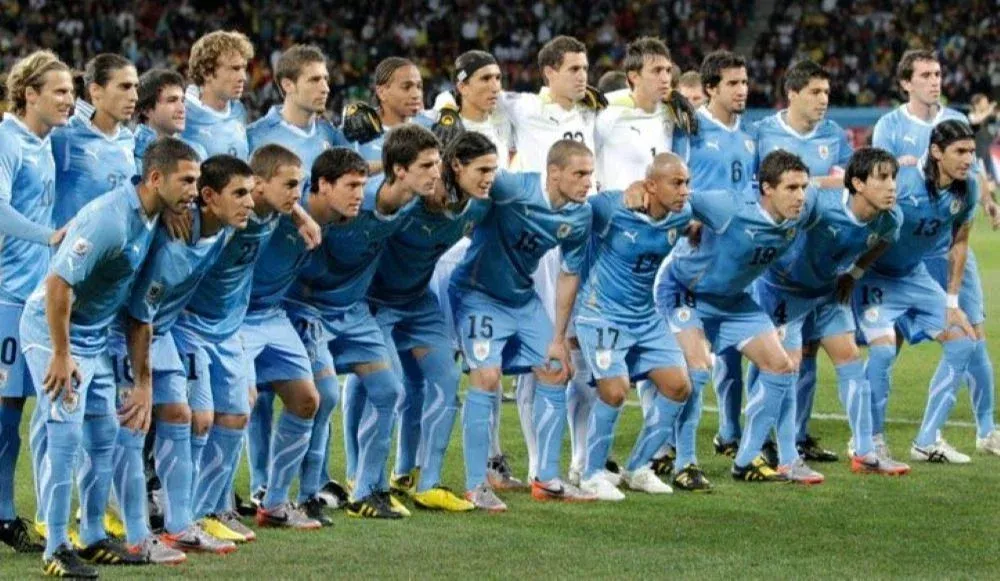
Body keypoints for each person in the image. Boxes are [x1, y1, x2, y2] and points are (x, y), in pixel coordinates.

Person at [20, 137, 200, 577]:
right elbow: (59, 283)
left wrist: (143, 382)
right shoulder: (110, 219)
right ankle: (57, 548)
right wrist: (61, 355)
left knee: (104, 439)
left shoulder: (152, 217)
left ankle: (95, 535)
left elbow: (141, 315)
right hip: (52, 330)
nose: (194, 191)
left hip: (94, 335)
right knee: (65, 439)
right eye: (187, 180)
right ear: (155, 178)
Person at [285, 124, 440, 519]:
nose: (435, 173)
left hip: (354, 311)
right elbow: (294, 195)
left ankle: (367, 490)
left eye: (437, 164)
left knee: (389, 391)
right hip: (307, 309)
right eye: (426, 165)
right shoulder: (350, 200)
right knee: (322, 399)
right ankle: (305, 491)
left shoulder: (410, 206)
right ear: (399, 170)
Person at [108, 154, 256, 561]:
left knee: (179, 415)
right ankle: (137, 534)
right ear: (209, 197)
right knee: (135, 422)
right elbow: (138, 315)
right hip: (126, 332)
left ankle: (179, 526)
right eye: (240, 194)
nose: (250, 203)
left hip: (164, 329)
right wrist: (142, 383)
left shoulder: (220, 230)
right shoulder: (173, 241)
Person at [171, 144, 319, 544]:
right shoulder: (221, 216)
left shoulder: (269, 214)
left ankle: (215, 509)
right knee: (198, 419)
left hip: (231, 324)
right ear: (258, 184)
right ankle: (181, 514)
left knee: (240, 412)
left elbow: (284, 204)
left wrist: (299, 211)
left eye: (300, 186)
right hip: (188, 323)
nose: (296, 193)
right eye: (289, 185)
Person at [655, 150, 818, 483]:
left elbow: (836, 196)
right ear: (766, 189)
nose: (800, 196)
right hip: (685, 291)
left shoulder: (799, 213)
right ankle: (685, 464)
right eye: (791, 188)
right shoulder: (730, 207)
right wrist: (683, 212)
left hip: (733, 301)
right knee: (698, 373)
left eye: (803, 187)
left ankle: (745, 460)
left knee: (781, 367)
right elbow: (677, 193)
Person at [451, 139, 595, 507]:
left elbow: (568, 275)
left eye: (590, 175)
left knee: (555, 367)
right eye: (579, 174)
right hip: (477, 293)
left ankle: (546, 478)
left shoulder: (580, 216)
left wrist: (559, 337)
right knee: (486, 377)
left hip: (521, 297)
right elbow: (467, 176)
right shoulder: (513, 188)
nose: (587, 183)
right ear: (554, 173)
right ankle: (475, 483)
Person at [752, 147, 911, 476]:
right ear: (858, 183)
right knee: (786, 370)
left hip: (826, 293)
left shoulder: (890, 217)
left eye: (894, 177)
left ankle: (865, 452)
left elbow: (884, 241)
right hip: (785, 292)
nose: (892, 185)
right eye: (882, 178)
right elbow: (775, 213)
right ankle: (785, 459)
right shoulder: (818, 205)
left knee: (850, 359)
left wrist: (854, 273)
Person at [874, 52, 999, 457]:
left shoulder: (955, 121)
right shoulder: (889, 126)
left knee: (972, 333)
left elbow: (972, 168)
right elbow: (880, 183)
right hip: (904, 250)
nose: (935, 80)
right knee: (886, 341)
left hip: (945, 244)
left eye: (938, 73)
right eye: (925, 75)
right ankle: (872, 433)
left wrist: (990, 200)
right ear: (905, 83)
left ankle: (986, 430)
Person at [367, 132, 497, 512]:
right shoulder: (406, 203)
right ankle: (366, 481)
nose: (490, 178)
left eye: (493, 170)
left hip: (419, 302)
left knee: (445, 381)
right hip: (375, 303)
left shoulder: (476, 206)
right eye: (483, 170)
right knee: (379, 388)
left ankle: (429, 483)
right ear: (456, 167)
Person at [244, 44, 350, 511]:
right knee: (258, 396)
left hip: (302, 283)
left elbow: (350, 183)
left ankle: (310, 481)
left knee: (314, 392)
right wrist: (304, 217)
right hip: (257, 281)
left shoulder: (330, 135)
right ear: (287, 85)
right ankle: (261, 484)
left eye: (326, 79)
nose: (324, 86)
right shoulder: (256, 136)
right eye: (314, 79)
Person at [243, 147, 367, 526]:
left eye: (363, 186)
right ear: (324, 186)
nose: (359, 194)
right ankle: (212, 507)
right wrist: (297, 212)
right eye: (352, 186)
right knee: (234, 408)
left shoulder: (328, 217)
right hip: (235, 317)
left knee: (314, 397)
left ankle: (283, 502)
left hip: (280, 314)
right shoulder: (258, 213)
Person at [855, 120, 979, 463]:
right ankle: (868, 438)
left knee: (963, 341)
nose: (969, 159)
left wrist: (952, 301)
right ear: (937, 152)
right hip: (875, 277)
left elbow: (960, 243)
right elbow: (858, 212)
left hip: (914, 276)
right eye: (960, 151)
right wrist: (850, 273)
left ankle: (927, 439)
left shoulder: (967, 190)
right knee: (881, 354)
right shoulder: (902, 180)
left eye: (972, 150)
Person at [752, 59, 854, 463]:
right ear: (791, 93)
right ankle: (756, 438)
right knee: (770, 350)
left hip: (819, 258)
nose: (823, 99)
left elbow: (848, 182)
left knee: (808, 351)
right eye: (815, 91)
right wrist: (818, 182)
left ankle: (797, 433)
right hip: (776, 260)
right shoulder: (762, 133)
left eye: (827, 92)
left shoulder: (835, 135)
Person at [427, 50, 521, 490]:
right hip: (448, 255)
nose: (495, 86)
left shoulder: (505, 120)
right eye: (485, 78)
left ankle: (492, 460)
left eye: (499, 77)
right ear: (461, 84)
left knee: (490, 364)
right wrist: (444, 108)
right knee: (443, 365)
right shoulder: (441, 122)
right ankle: (422, 465)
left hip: (489, 254)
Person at [577, 153, 693, 500]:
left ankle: (638, 468)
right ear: (650, 186)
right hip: (602, 313)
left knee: (678, 386)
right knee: (614, 391)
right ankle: (592, 473)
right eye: (676, 183)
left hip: (645, 315)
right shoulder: (613, 208)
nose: (684, 191)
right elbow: (575, 206)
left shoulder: (683, 213)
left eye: (687, 183)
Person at [670, 50, 756, 473]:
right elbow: (670, 184)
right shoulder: (690, 128)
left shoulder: (749, 135)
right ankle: (674, 449)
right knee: (687, 360)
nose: (742, 90)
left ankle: (732, 434)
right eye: (733, 84)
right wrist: (689, 217)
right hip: (691, 261)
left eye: (744, 82)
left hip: (736, 263)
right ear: (710, 89)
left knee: (735, 355)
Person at [0, 50, 72, 554]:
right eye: (61, 92)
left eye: (72, 91)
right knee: (6, 416)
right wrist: (49, 237)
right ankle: (4, 514)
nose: (70, 100)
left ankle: (45, 516)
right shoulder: (7, 139)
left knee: (45, 412)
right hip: (5, 296)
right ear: (30, 94)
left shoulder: (44, 141)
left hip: (37, 298)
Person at [51, 53, 139, 228]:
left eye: (136, 87)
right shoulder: (63, 137)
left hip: (117, 252)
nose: (134, 96)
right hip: (73, 252)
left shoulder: (127, 139)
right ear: (95, 91)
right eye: (125, 87)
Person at [182, 30, 254, 160]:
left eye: (244, 68)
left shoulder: (238, 110)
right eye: (235, 68)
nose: (243, 77)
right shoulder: (182, 117)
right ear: (207, 73)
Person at [134, 69, 208, 173]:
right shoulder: (129, 153)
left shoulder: (198, 151)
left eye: (182, 101)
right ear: (146, 109)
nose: (182, 108)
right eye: (172, 100)